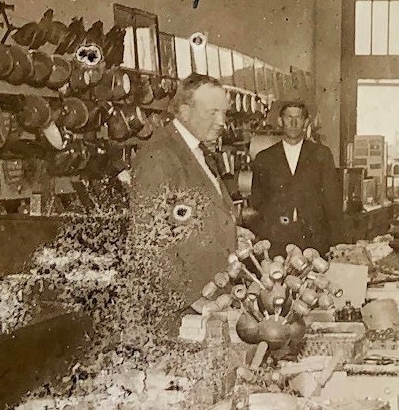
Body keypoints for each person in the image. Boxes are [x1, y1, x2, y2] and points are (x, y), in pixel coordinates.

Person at [127, 76, 239, 308]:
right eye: (213, 112)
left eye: (224, 113)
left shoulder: (198, 151)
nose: (222, 122)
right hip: (187, 307)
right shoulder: (159, 156)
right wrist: (191, 298)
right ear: (185, 112)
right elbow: (148, 241)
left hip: (213, 294)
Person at [248, 97, 345, 255]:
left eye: (298, 118)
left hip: (313, 240)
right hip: (276, 240)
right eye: (288, 118)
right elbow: (258, 200)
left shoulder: (321, 154)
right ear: (280, 121)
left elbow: (332, 200)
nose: (293, 123)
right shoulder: (264, 158)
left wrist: (336, 241)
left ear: (306, 122)